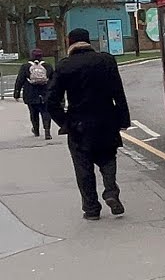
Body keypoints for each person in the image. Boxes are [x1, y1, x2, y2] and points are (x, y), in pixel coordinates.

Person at [47, 28, 131, 220]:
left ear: (70, 42)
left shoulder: (65, 66)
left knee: (83, 167)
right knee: (108, 158)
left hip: (79, 124)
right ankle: (111, 191)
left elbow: (51, 101)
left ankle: (91, 209)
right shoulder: (106, 60)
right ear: (89, 41)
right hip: (106, 120)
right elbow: (118, 93)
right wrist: (123, 120)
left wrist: (64, 122)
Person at [12, 48, 53, 139]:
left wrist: (16, 93)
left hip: (30, 93)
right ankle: (47, 131)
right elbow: (53, 80)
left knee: (33, 113)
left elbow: (20, 80)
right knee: (45, 112)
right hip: (45, 93)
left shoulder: (25, 67)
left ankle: (36, 130)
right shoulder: (47, 66)